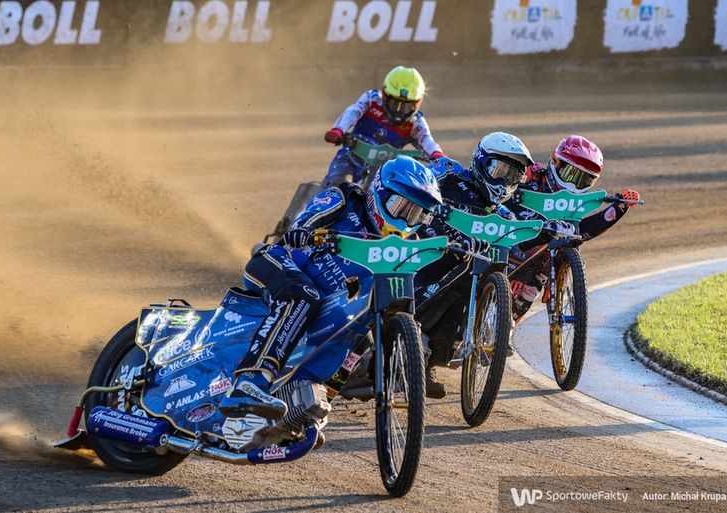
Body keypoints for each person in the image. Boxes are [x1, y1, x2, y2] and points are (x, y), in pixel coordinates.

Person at [220, 156, 443, 420]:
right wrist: (303, 230)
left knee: (362, 331)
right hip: (280, 261)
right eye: (401, 207)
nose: (406, 220)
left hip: (325, 297)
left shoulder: (406, 245)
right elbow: (308, 218)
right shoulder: (346, 198)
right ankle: (250, 382)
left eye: (416, 214)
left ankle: (308, 407)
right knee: (303, 297)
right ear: (380, 192)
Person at [414, 132, 534, 398]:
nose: (504, 181)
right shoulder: (447, 171)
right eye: (499, 171)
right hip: (419, 248)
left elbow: (522, 245)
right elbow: (411, 186)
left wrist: (550, 232)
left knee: (469, 281)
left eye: (512, 176)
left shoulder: (502, 214)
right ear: (481, 161)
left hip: (458, 265)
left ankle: (427, 359)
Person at [504, 135, 641, 328]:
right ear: (555, 162)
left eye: (584, 180)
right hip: (507, 243)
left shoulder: (576, 203)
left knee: (518, 308)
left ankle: (507, 327)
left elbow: (583, 230)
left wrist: (620, 207)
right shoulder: (529, 175)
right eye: (571, 174)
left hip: (539, 260)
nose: (574, 185)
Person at [321, 65, 446, 188]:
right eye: (394, 103)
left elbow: (425, 139)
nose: (399, 111)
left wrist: (437, 155)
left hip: (383, 171)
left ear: (417, 103)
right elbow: (353, 112)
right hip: (350, 159)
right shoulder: (373, 99)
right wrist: (338, 130)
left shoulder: (415, 122)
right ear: (385, 96)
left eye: (406, 106)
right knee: (341, 187)